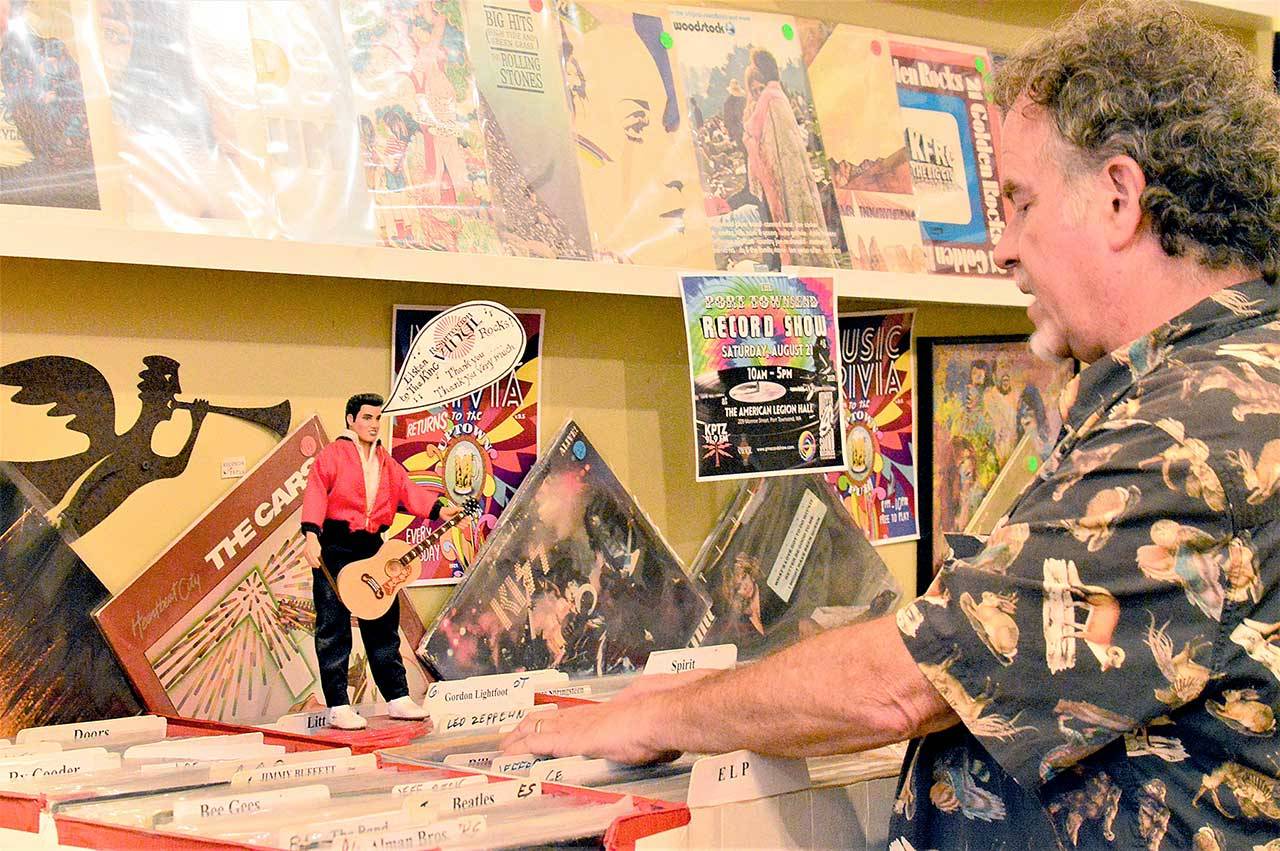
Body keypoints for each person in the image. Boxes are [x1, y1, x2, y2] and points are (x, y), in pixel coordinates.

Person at [502, 2, 1280, 846]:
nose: (1003, 249)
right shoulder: (1224, 377)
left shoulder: (1197, 430)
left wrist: (651, 717)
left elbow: (908, 679)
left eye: (1020, 202)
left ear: (1121, 199)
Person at [301, 393, 460, 730]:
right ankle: (338, 703)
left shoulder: (386, 462)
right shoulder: (332, 457)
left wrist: (437, 510)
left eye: (377, 418)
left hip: (372, 546)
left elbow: (407, 491)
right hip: (335, 547)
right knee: (334, 626)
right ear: (350, 420)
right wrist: (311, 536)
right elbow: (315, 493)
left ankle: (397, 696)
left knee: (384, 624)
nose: (374, 425)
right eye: (367, 418)